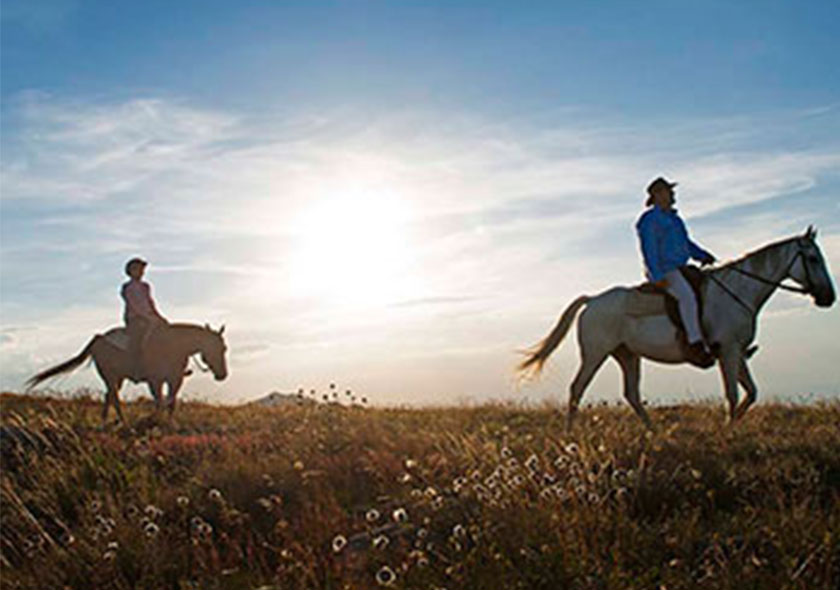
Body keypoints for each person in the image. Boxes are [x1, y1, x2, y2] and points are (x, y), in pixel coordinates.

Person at [636, 177, 717, 368]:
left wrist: (703, 255)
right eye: (668, 191)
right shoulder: (649, 220)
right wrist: (657, 277)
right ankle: (695, 343)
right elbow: (649, 249)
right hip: (665, 270)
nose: (673, 195)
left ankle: (716, 339)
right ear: (657, 195)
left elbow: (686, 244)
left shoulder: (674, 218)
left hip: (681, 268)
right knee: (687, 297)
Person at [121, 258, 167, 380]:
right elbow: (135, 305)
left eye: (142, 270)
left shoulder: (146, 286)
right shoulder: (127, 287)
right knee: (139, 339)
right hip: (135, 319)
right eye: (137, 269)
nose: (141, 272)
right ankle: (136, 368)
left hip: (149, 318)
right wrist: (149, 318)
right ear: (130, 271)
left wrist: (159, 317)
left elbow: (150, 303)